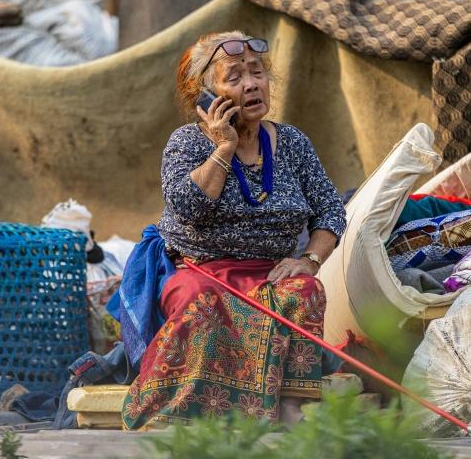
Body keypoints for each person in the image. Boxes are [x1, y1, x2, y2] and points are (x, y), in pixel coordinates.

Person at [119, 30, 346, 430]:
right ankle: (200, 407)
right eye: (235, 77)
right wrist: (222, 148)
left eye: (257, 73)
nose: (253, 84)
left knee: (305, 290)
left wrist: (309, 259)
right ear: (206, 97)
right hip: (201, 270)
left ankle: (289, 403)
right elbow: (189, 209)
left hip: (270, 271)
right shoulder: (187, 143)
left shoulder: (292, 143)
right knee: (199, 299)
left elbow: (330, 211)